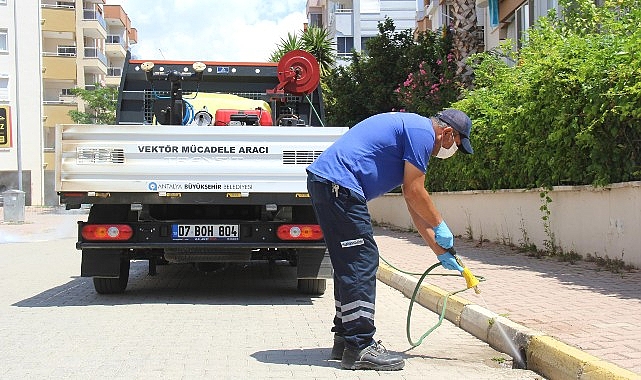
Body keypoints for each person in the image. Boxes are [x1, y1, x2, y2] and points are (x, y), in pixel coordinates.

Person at [306, 109, 474, 371]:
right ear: (448, 133)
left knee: (350, 262)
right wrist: (441, 224)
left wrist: (439, 251)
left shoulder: (414, 132)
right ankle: (360, 346)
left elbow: (413, 203)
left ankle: (346, 336)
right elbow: (415, 191)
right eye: (457, 145)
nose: (451, 152)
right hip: (339, 185)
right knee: (362, 260)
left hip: (329, 184)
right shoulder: (423, 134)